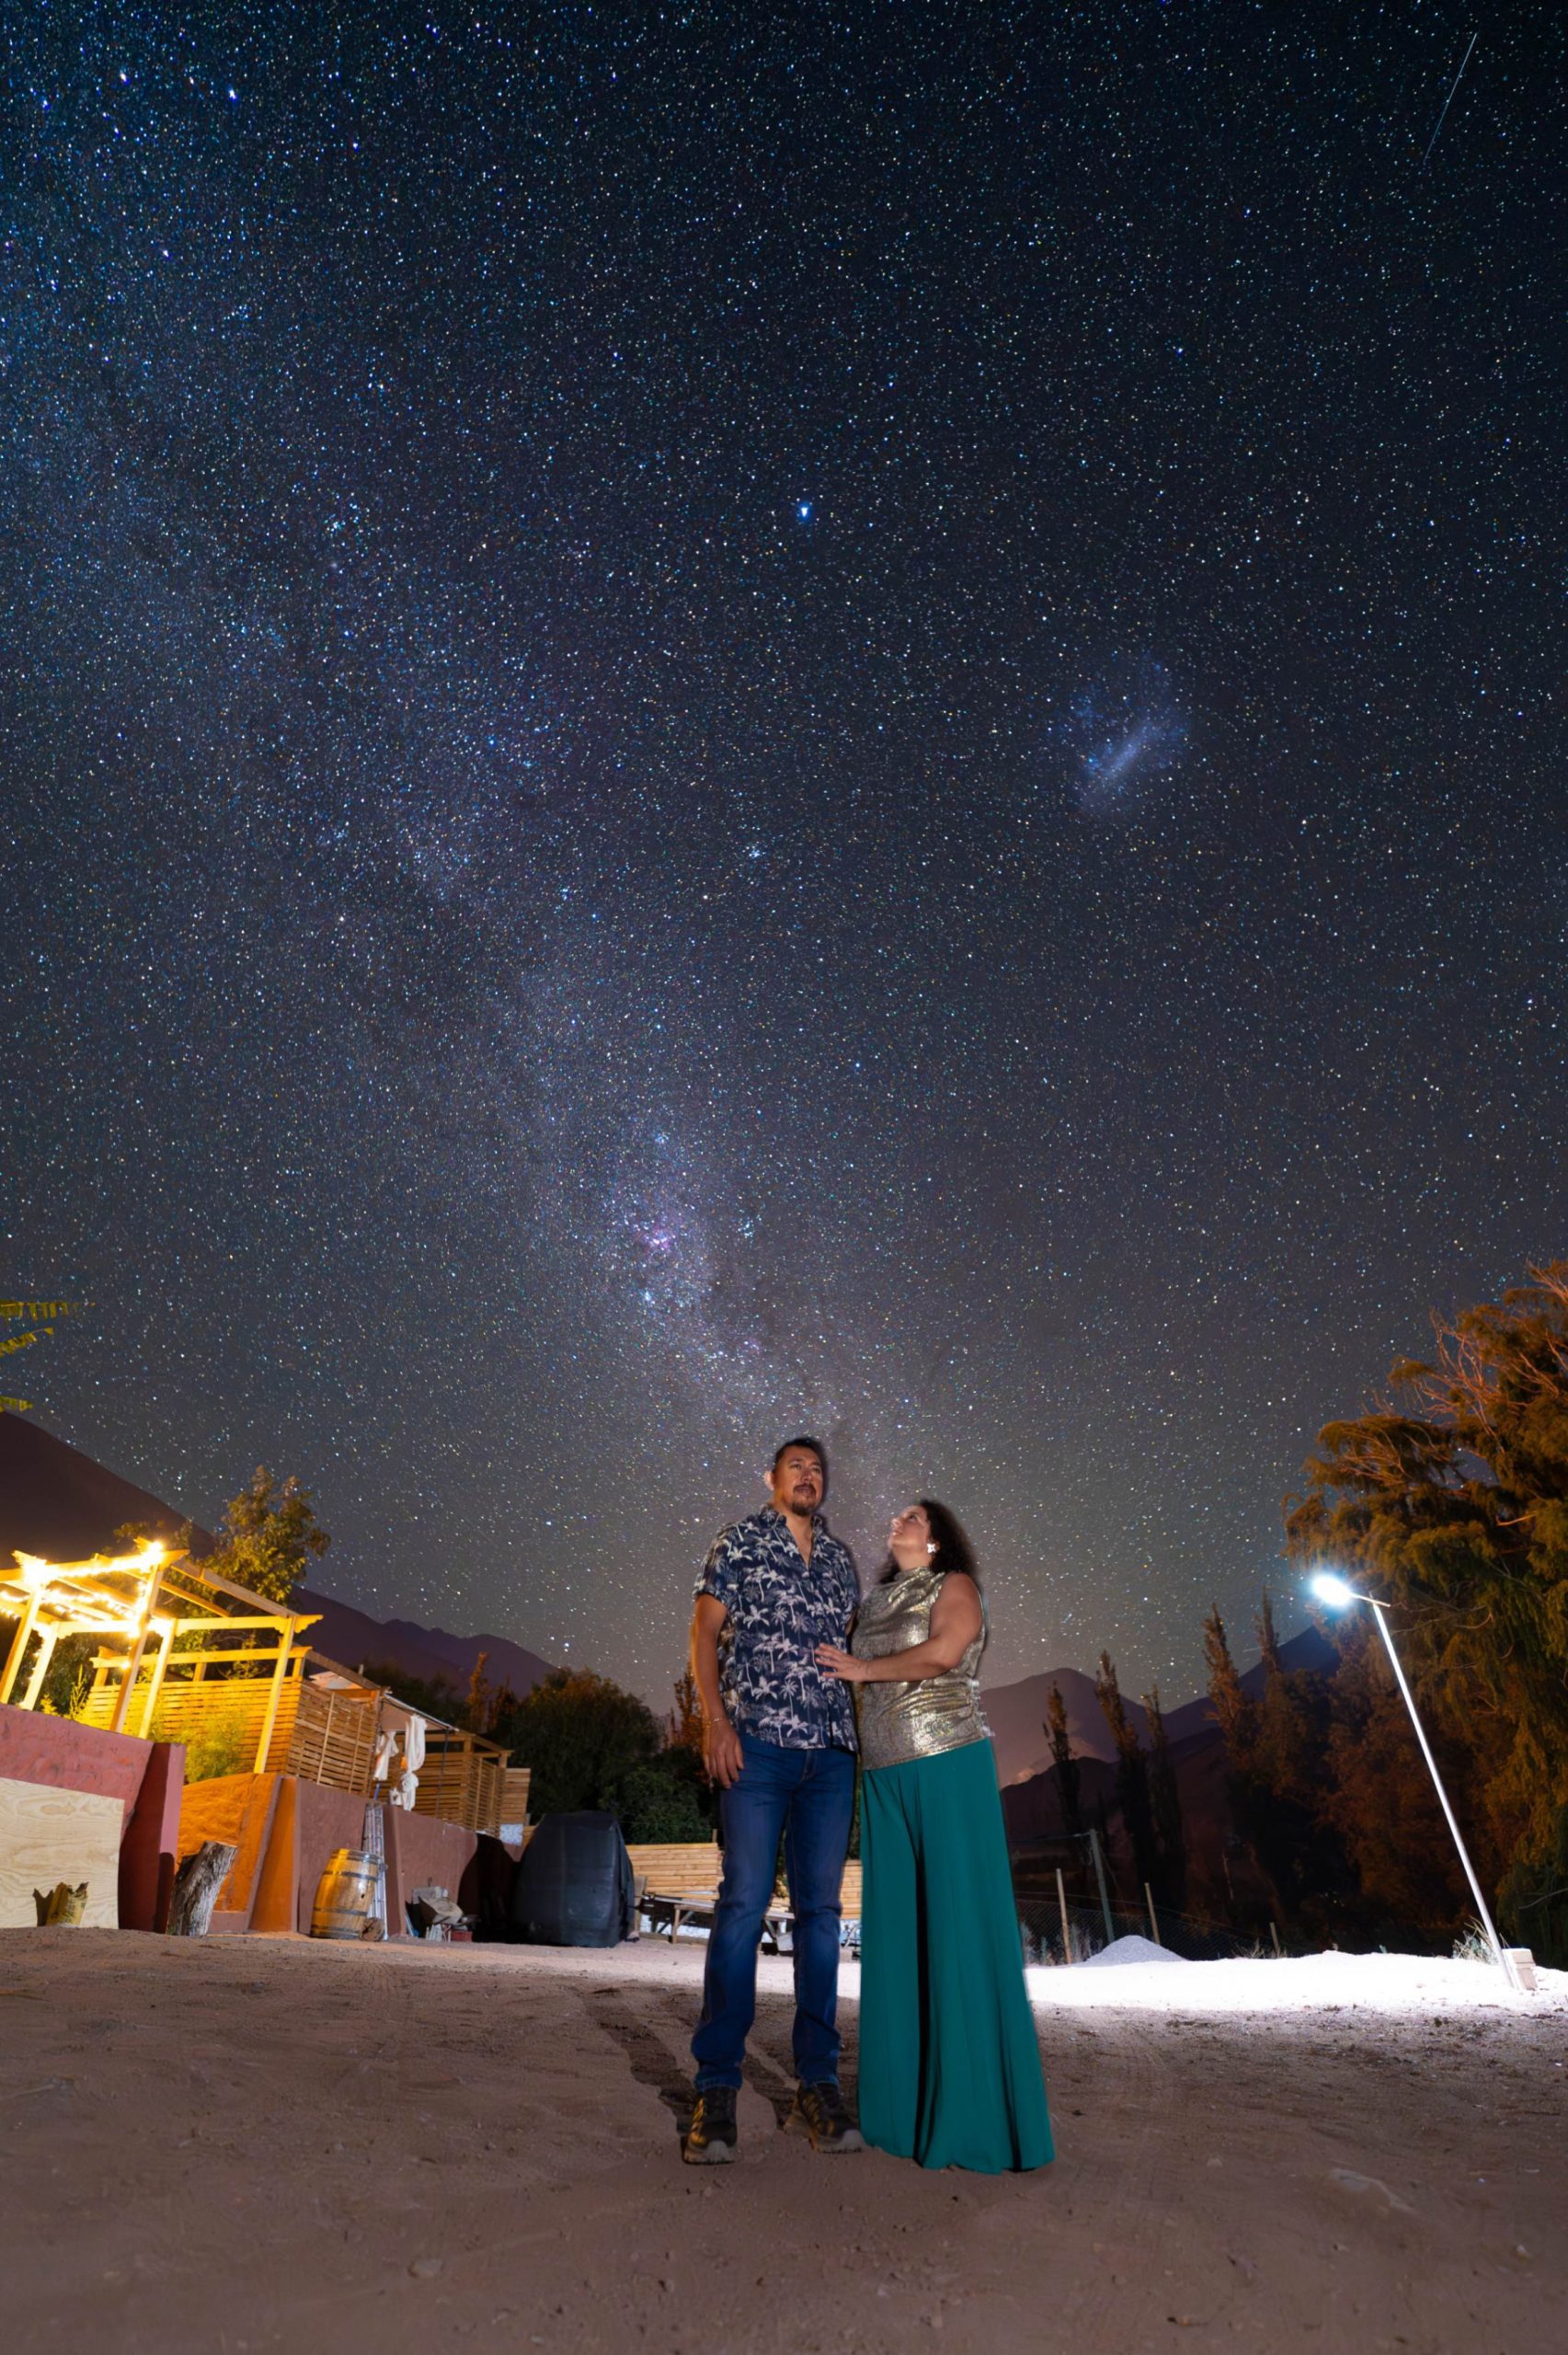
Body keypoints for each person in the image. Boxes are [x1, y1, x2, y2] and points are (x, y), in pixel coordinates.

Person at [816, 1499, 1054, 2173]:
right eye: (898, 1516)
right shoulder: (872, 1602)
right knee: (897, 1938)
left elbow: (946, 1653)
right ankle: (899, 2118)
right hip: (882, 1777)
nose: (899, 1520)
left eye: (915, 1516)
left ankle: (975, 2122)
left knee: (957, 1928)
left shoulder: (955, 1585)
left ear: (939, 1538)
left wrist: (863, 1670)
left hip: (947, 1763)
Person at [683, 1437, 863, 2165]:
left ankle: (815, 2084)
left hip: (831, 1754)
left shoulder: (842, 1560)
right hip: (755, 1746)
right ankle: (716, 2086)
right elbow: (703, 1631)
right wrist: (714, 1721)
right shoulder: (738, 1541)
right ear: (771, 1478)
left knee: (821, 1916)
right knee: (742, 1904)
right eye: (796, 1466)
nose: (808, 1476)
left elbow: (858, 1649)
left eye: (817, 1469)